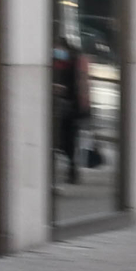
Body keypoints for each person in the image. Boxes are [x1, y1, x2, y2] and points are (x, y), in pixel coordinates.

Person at [52, 37, 91, 185]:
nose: (57, 51)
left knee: (69, 140)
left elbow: (80, 85)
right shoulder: (60, 62)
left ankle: (72, 170)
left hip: (71, 108)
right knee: (66, 141)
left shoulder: (74, 62)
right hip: (66, 107)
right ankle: (71, 170)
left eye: (58, 48)